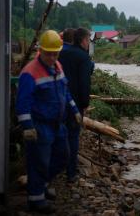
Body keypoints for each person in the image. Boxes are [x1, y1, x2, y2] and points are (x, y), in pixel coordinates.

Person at [16, 30, 82, 214]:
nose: (52, 57)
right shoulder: (30, 72)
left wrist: (75, 110)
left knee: (63, 157)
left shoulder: (57, 66)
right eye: (49, 53)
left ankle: (43, 184)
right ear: (41, 50)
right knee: (39, 162)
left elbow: (65, 92)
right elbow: (22, 103)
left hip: (57, 124)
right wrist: (28, 127)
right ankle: (36, 200)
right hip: (39, 125)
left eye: (55, 53)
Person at [59, 28, 93, 183]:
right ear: (83, 40)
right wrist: (85, 104)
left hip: (59, 100)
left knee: (59, 134)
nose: (89, 43)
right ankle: (71, 172)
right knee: (73, 136)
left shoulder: (62, 53)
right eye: (89, 40)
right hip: (75, 103)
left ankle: (56, 168)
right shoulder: (83, 57)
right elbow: (84, 83)